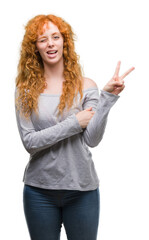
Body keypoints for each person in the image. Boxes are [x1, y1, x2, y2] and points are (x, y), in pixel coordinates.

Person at [14, 14, 135, 240]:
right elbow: (30, 143)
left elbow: (92, 140)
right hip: (39, 191)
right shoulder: (25, 90)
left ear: (64, 42)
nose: (50, 43)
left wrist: (107, 97)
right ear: (35, 48)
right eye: (42, 39)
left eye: (55, 37)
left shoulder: (86, 86)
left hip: (82, 191)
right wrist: (73, 123)